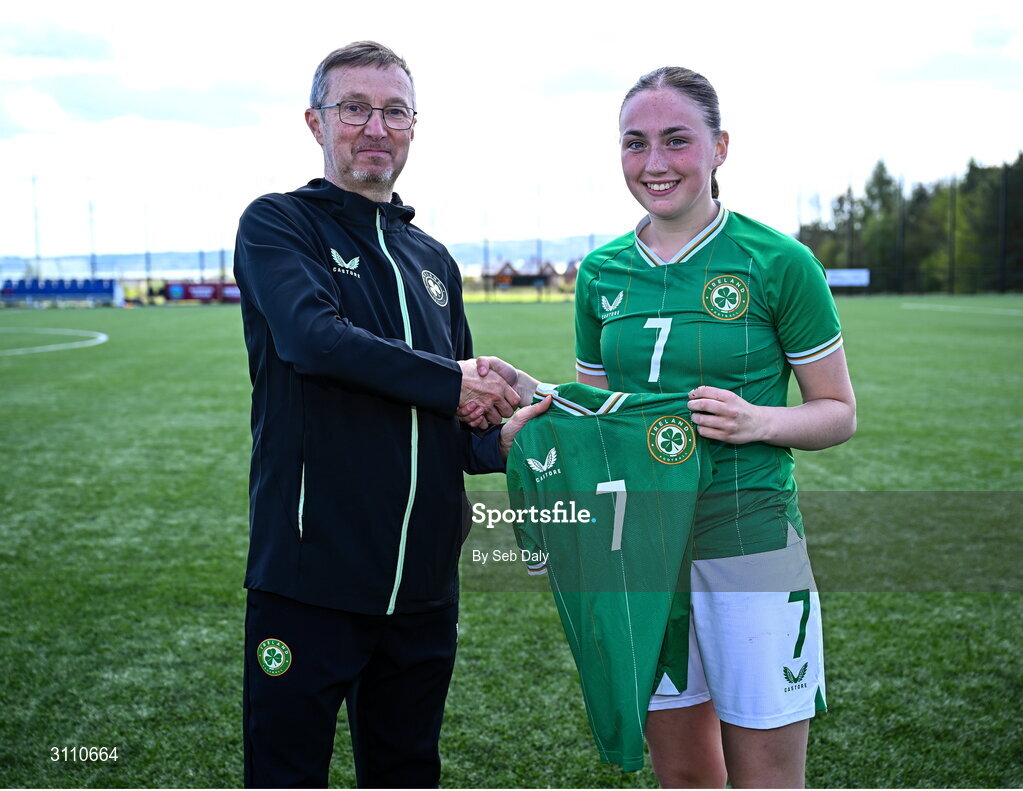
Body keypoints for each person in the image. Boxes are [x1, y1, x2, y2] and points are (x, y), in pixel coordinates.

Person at [233, 41, 545, 788]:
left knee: (406, 772)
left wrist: (509, 434)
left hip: (423, 589)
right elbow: (315, 341)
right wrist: (454, 379)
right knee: (285, 775)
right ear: (316, 121)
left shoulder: (432, 260)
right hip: (311, 580)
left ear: (413, 126)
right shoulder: (280, 225)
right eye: (355, 108)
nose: (376, 127)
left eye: (394, 110)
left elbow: (458, 428)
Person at [568, 67, 857, 788]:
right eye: (634, 143)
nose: (654, 163)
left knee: (766, 778)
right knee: (685, 775)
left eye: (676, 140)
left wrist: (758, 419)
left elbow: (836, 412)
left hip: (748, 543)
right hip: (645, 553)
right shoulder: (600, 272)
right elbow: (604, 424)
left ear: (719, 146)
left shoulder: (778, 261)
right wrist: (536, 400)